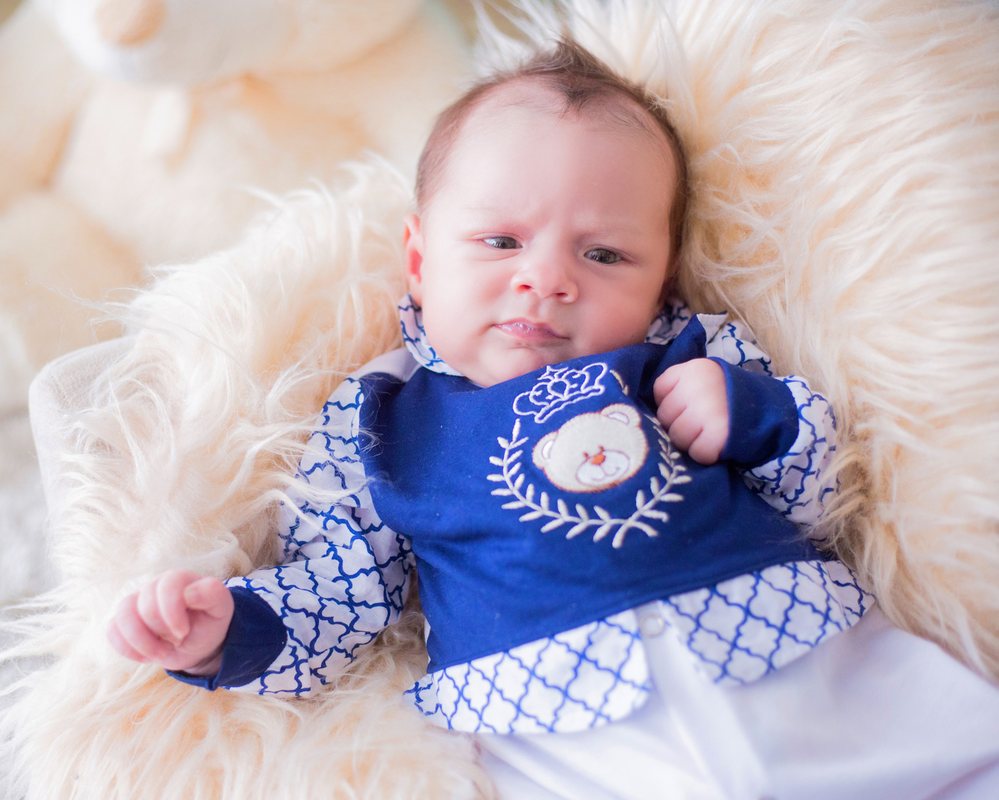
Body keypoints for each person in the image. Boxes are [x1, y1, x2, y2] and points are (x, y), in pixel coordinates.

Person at [106, 41, 999, 800]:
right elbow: (344, 592)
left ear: (663, 278)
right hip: (560, 722)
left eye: (605, 253)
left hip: (794, 658)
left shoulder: (689, 350)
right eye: (500, 241)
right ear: (419, 261)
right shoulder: (382, 416)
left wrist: (751, 416)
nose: (546, 278)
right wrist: (228, 629)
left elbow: (821, 495)